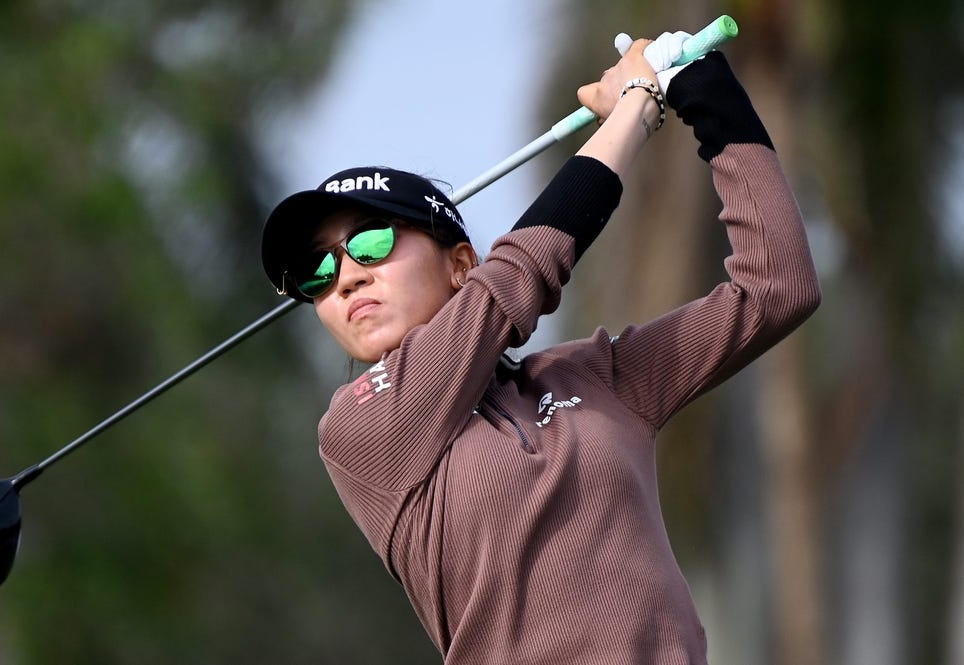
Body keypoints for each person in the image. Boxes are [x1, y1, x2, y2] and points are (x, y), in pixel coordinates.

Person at [260, 32, 820, 664]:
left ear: (459, 263)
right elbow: (515, 280)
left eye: (370, 244)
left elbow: (778, 287)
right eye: (317, 274)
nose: (346, 277)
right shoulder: (359, 426)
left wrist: (706, 90)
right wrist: (636, 103)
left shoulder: (594, 376)